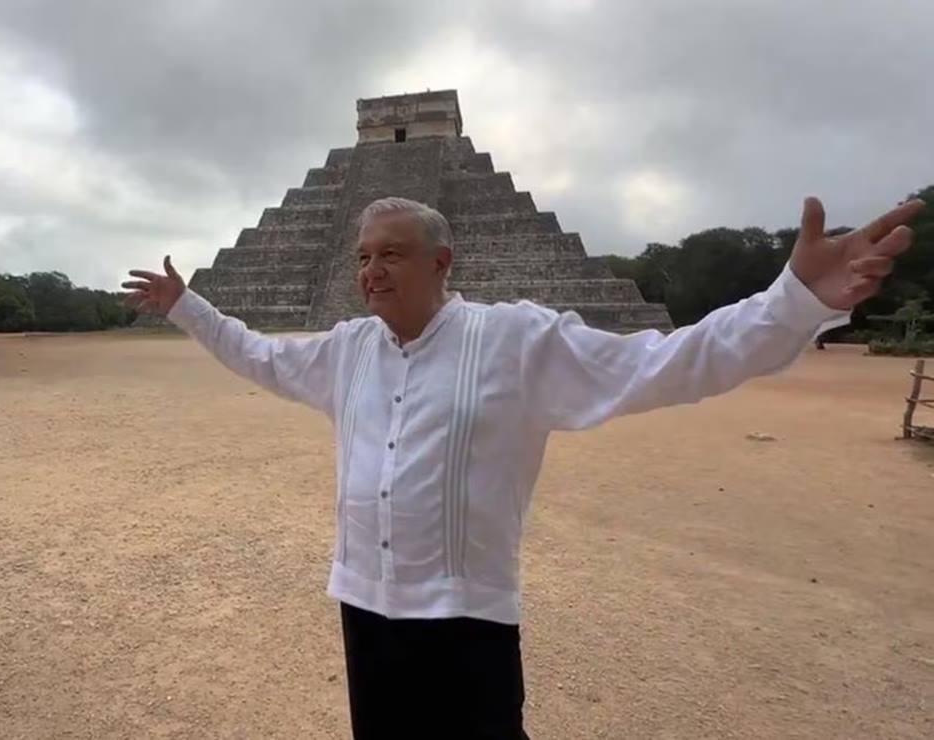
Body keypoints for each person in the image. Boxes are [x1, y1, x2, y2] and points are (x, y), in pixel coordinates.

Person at [123, 195, 923, 739]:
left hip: (466, 618)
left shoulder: (517, 341)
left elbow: (669, 361)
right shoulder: (346, 350)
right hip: (364, 603)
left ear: (443, 262)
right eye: (364, 255)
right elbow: (259, 355)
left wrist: (796, 300)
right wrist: (188, 305)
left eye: (392, 254)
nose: (370, 270)